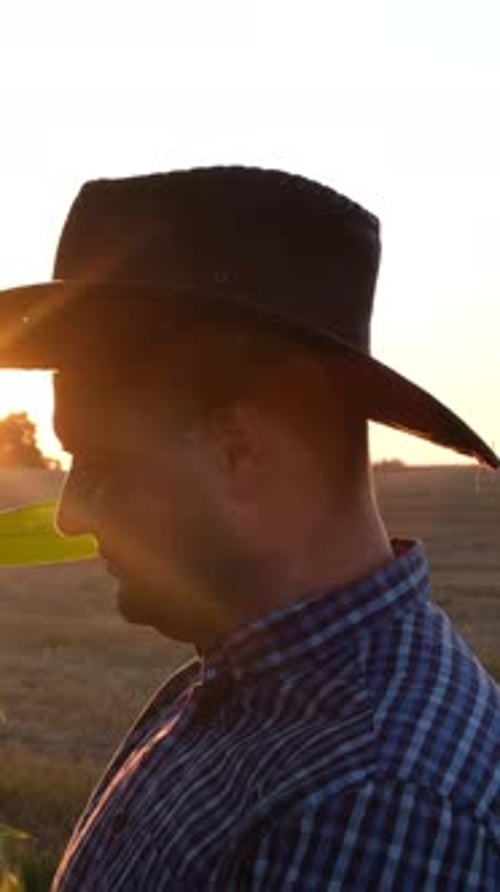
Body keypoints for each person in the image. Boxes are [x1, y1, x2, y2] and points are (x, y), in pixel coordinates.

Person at [0, 167, 498, 890]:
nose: (71, 515)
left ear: (238, 453)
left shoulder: (371, 801)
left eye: (103, 462)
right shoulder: (230, 688)